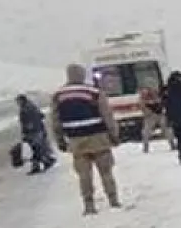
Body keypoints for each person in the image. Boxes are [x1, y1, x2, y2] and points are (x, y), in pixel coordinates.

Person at [50, 63, 122, 215]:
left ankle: (89, 205)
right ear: (82, 75)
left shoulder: (58, 95)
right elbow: (107, 115)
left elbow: (55, 121)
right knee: (106, 172)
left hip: (76, 140)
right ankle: (113, 200)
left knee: (84, 175)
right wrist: (114, 135)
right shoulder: (94, 92)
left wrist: (60, 140)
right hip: (98, 137)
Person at [15, 93, 56, 174]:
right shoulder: (32, 106)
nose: (17, 103)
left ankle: (43, 164)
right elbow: (42, 116)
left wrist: (26, 132)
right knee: (38, 149)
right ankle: (46, 161)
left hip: (33, 133)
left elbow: (27, 123)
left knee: (35, 150)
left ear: (21, 100)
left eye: (18, 101)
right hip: (38, 130)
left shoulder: (26, 109)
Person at [138, 82, 168, 153]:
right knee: (146, 132)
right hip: (150, 116)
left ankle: (172, 143)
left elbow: (163, 102)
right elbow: (142, 106)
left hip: (160, 114)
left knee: (167, 128)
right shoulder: (143, 97)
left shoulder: (159, 94)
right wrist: (148, 112)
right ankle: (145, 147)